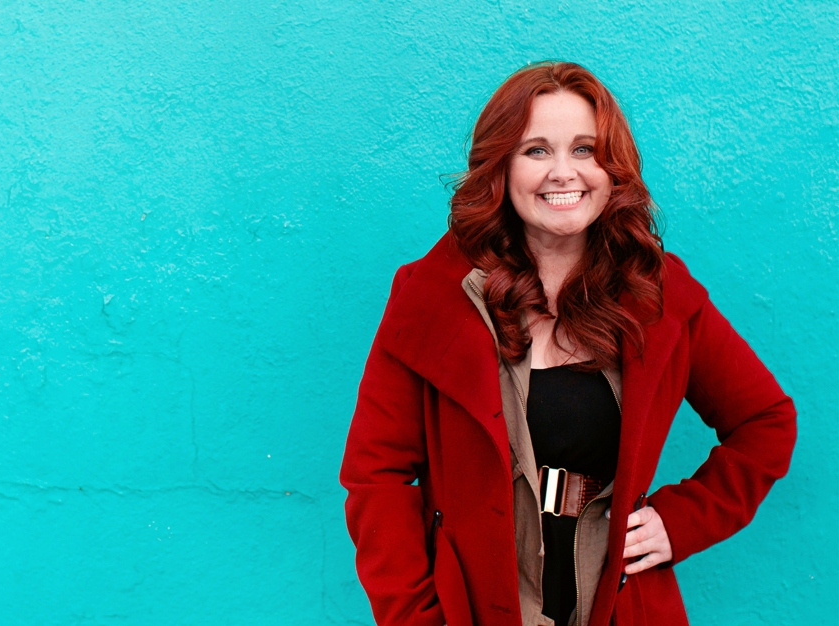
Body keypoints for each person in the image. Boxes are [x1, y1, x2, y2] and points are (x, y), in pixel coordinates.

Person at [339, 61, 796, 626]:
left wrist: (681, 522)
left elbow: (766, 422)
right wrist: (415, 617)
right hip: (474, 606)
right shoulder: (431, 296)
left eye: (585, 149)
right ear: (500, 166)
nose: (563, 172)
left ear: (612, 167)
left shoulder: (659, 295)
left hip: (619, 605)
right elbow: (375, 476)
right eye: (536, 150)